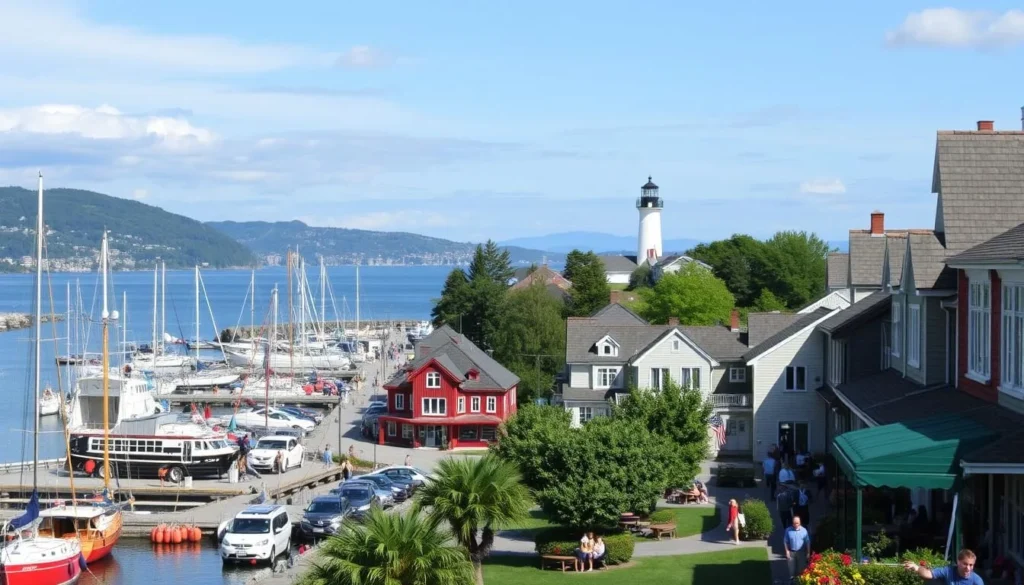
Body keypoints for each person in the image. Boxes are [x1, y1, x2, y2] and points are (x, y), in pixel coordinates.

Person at [904, 548, 983, 584]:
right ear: (958, 562)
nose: (968, 568)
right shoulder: (948, 571)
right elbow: (928, 574)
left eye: (971, 565)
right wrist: (917, 568)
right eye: (965, 564)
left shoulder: (977, 580)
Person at [784, 515, 811, 581]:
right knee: (791, 570)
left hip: (801, 552)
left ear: (800, 523)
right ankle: (792, 581)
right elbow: (785, 541)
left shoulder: (804, 530)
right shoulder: (788, 530)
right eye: (794, 523)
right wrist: (787, 551)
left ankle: (800, 581)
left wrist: (808, 552)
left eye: (797, 523)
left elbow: (807, 542)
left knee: (801, 570)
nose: (795, 525)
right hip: (791, 552)